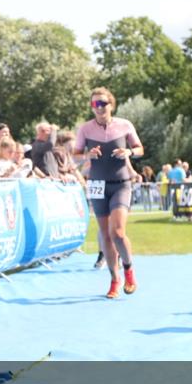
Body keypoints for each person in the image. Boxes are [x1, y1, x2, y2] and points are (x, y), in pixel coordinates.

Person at [74, 87, 144, 299]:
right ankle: (114, 279)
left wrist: (129, 151)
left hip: (121, 183)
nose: (99, 107)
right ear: (91, 107)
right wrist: (88, 155)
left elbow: (140, 149)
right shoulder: (85, 129)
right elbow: (75, 156)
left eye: (103, 103)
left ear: (111, 105)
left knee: (118, 232)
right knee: (105, 235)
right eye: (95, 104)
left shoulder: (124, 125)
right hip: (97, 184)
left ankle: (128, 269)